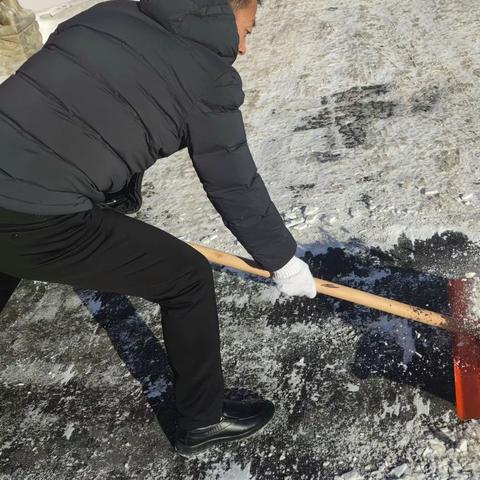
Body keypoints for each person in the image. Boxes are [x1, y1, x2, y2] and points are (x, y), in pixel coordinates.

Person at [0, 0, 317, 457]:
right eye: (250, 28)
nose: (245, 47)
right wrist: (283, 261)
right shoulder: (209, 77)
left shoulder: (109, 13)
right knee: (185, 277)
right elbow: (233, 184)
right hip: (38, 215)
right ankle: (204, 421)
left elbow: (76, 99)